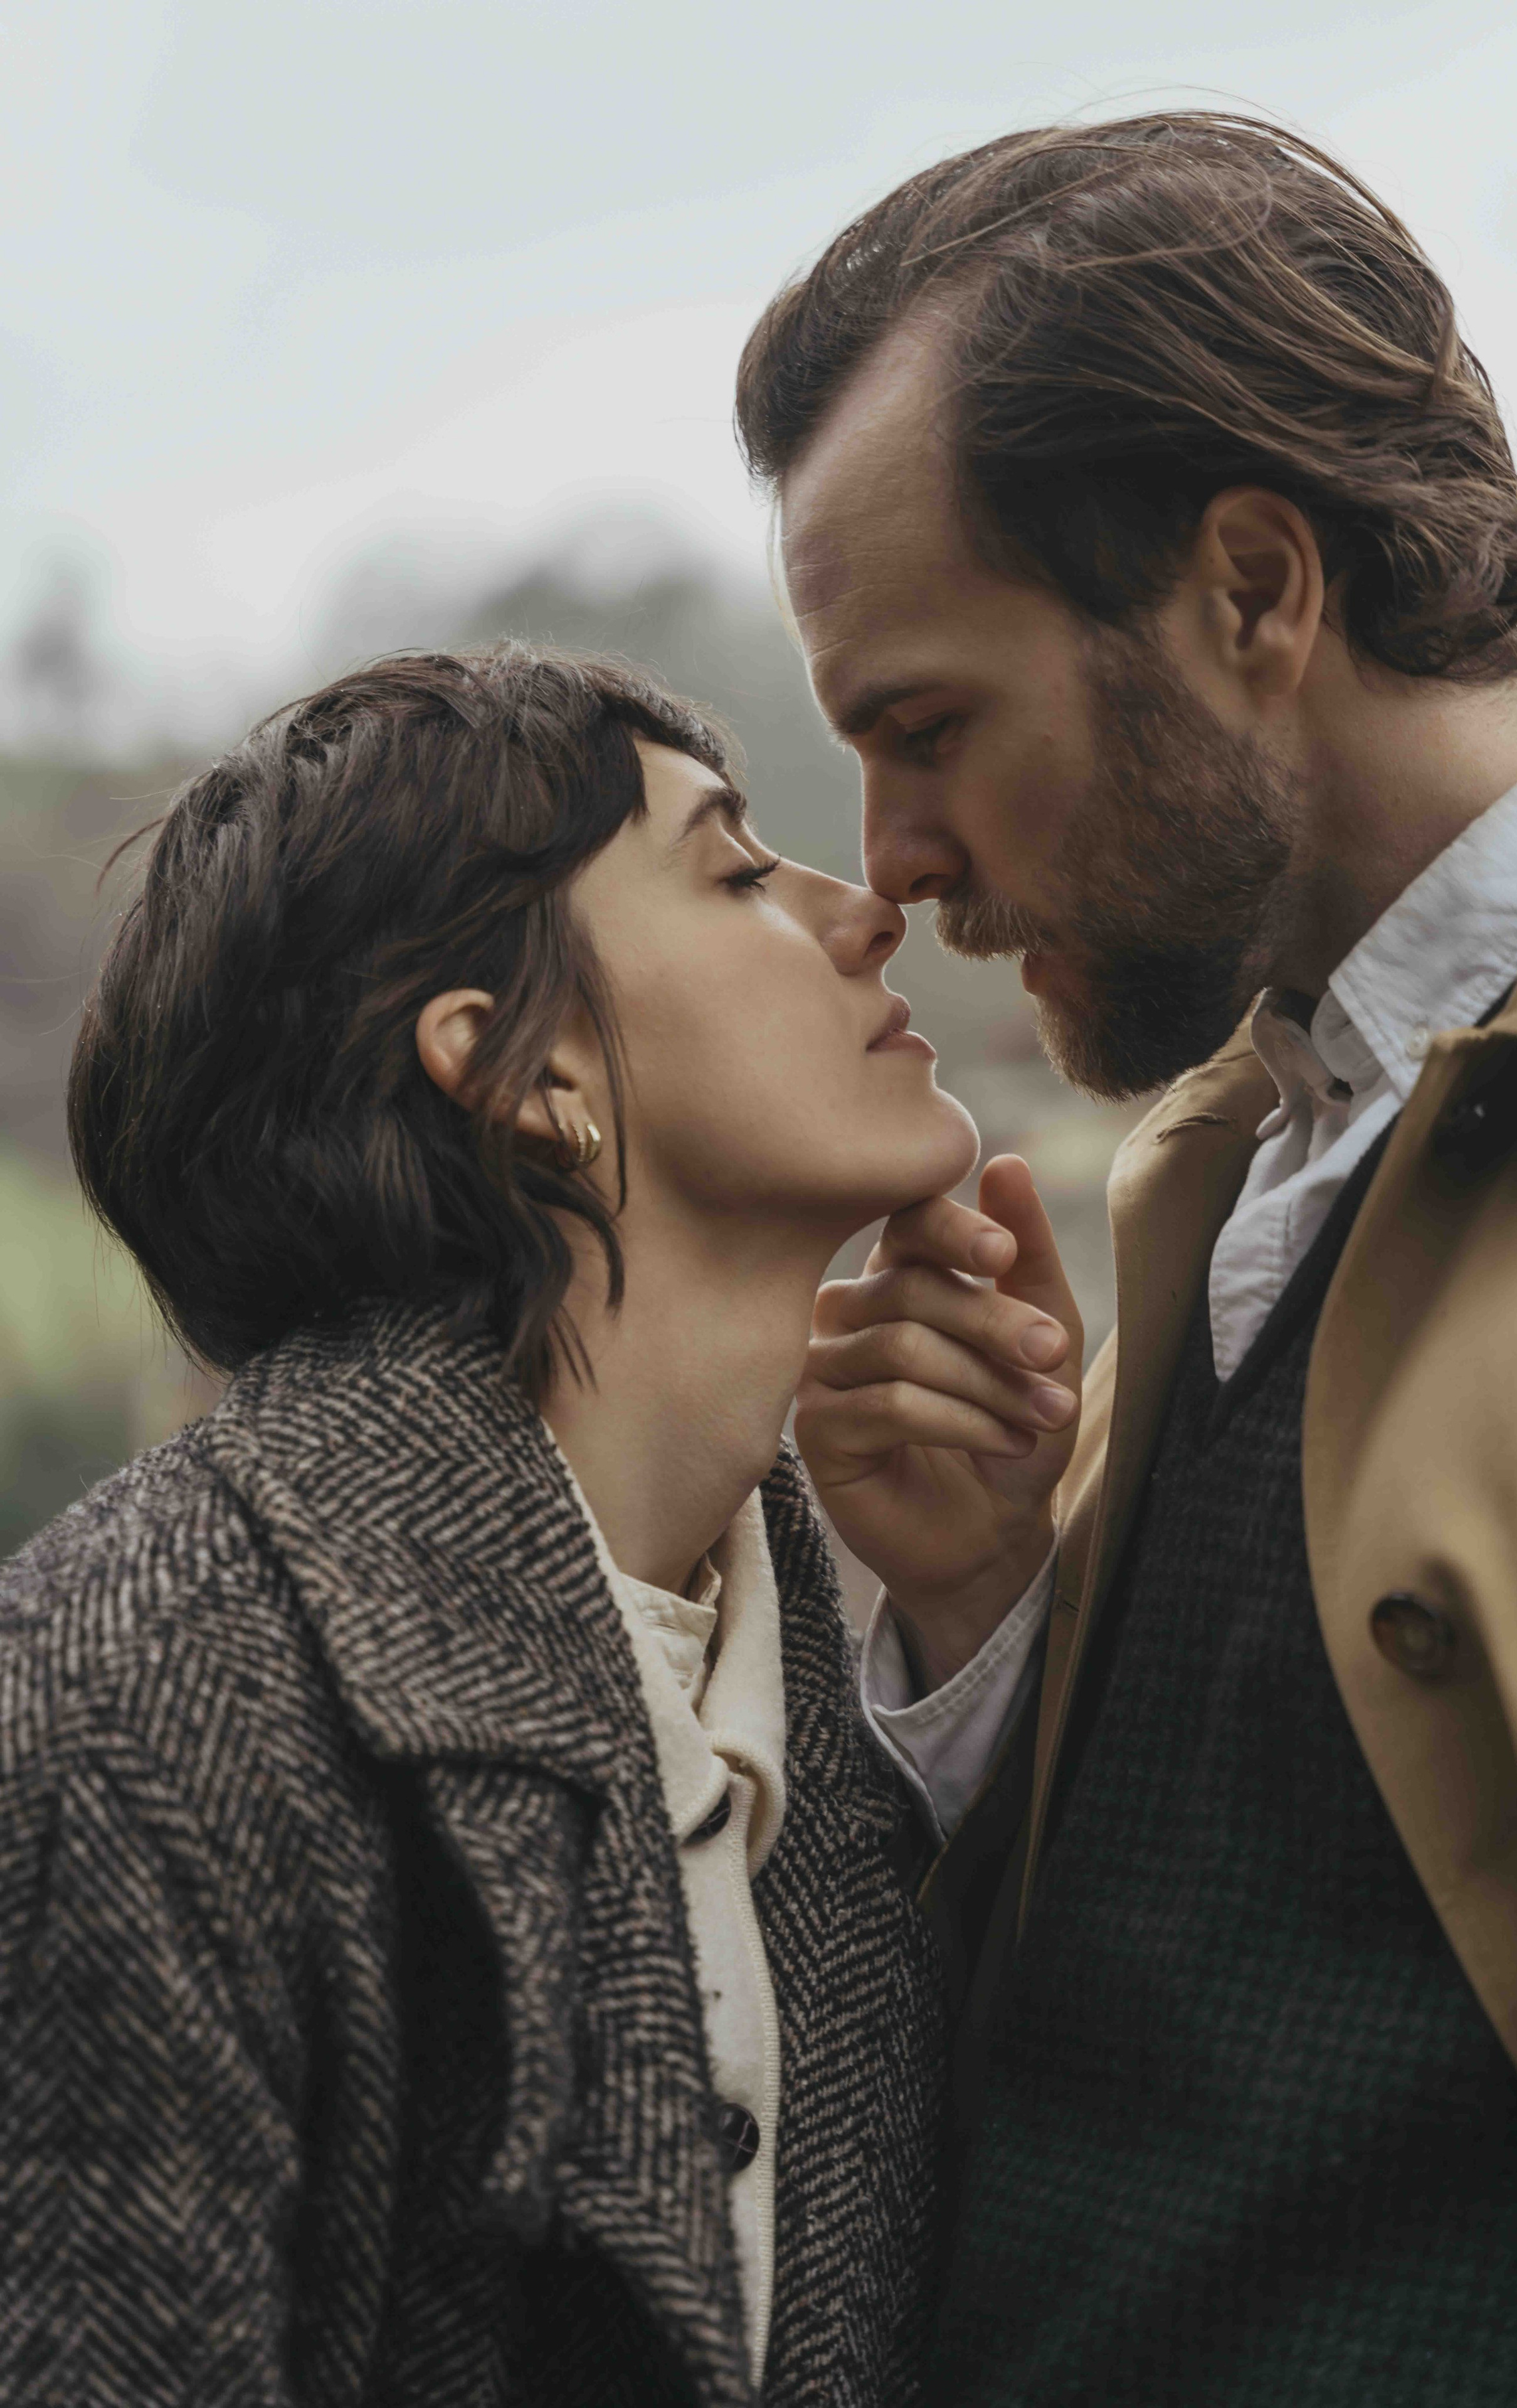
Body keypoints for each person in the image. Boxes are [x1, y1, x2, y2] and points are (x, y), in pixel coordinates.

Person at [735, 112, 1517, 2403]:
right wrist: (987, 1617)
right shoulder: (1225, 1174)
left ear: (1250, 587)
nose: (893, 864)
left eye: (927, 731)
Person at [0, 644, 1052, 2407]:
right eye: (733, 870)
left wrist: (983, 1609)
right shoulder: (125, 1712)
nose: (866, 908)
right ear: (523, 1077)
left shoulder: (826, 1697)